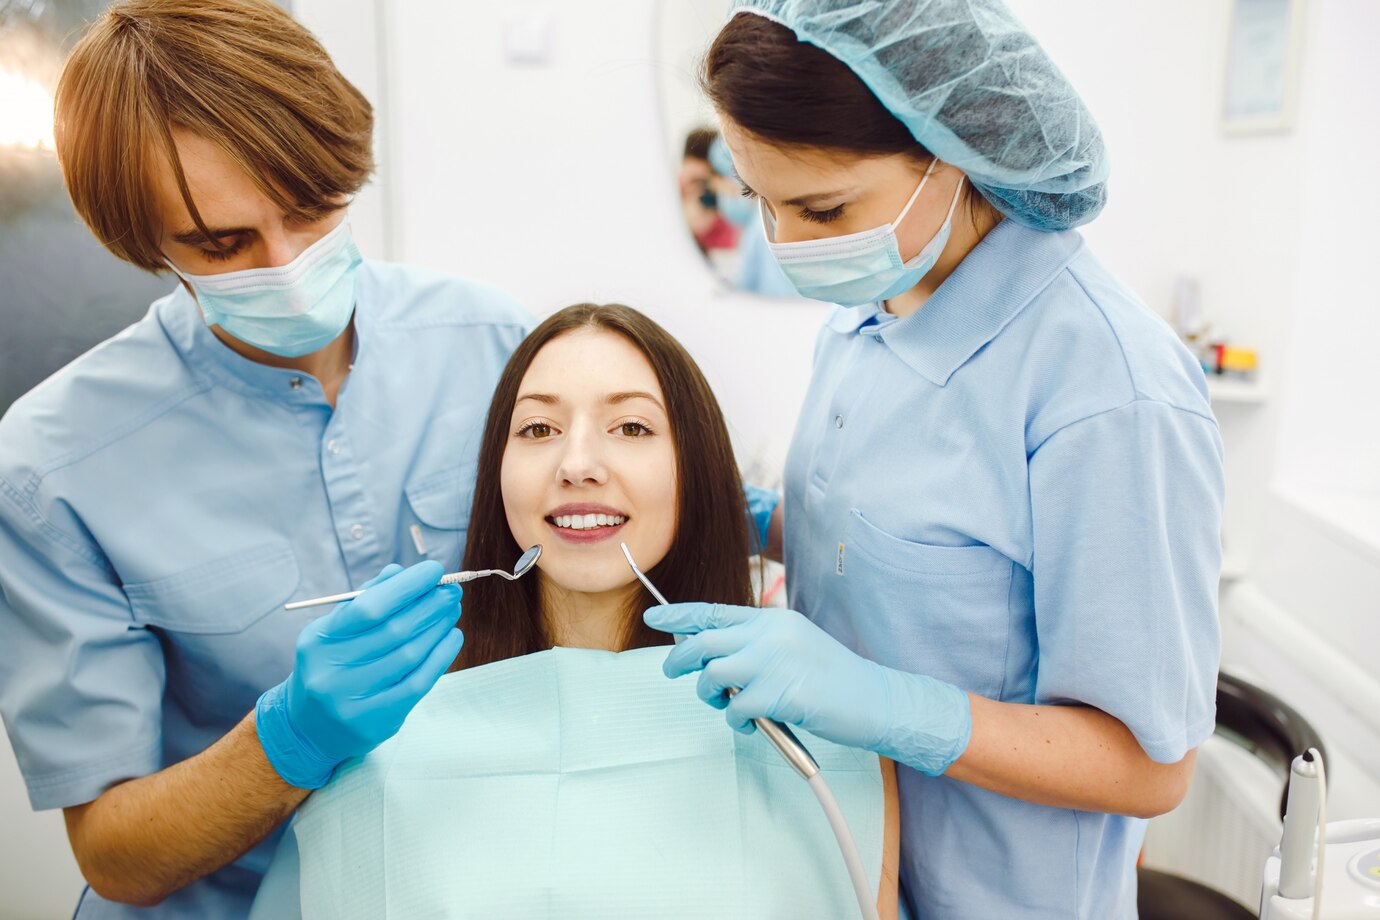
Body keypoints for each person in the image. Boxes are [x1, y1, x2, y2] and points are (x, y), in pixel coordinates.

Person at [644, 3, 1225, 918]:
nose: (785, 246)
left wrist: (881, 703)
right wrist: (747, 516)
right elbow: (917, 558)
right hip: (846, 863)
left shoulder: (1109, 393)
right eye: (761, 200)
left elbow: (1150, 768)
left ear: (954, 153)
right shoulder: (873, 312)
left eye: (823, 207)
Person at [0, 1, 530, 916]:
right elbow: (116, 857)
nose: (286, 263)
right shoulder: (52, 467)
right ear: (147, 243)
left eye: (310, 210)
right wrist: (287, 740)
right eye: (221, 243)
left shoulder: (491, 345)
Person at [249, 304, 901, 919]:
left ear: (695, 472)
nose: (578, 464)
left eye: (632, 428)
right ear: (497, 474)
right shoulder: (381, 746)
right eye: (538, 429)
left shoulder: (817, 747)